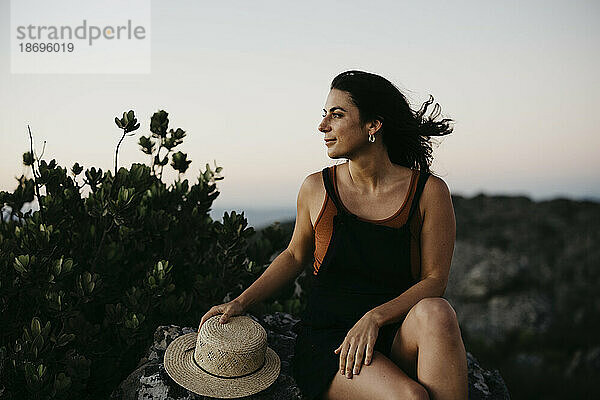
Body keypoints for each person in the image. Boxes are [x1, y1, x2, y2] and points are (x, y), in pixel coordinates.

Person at [199, 70, 468, 400]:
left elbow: (434, 280)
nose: (322, 125)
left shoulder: (428, 192)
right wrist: (241, 302)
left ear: (373, 125)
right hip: (332, 339)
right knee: (411, 397)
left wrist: (375, 317)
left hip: (395, 330)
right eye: (324, 115)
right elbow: (294, 255)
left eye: (336, 115)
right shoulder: (317, 188)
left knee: (438, 312)